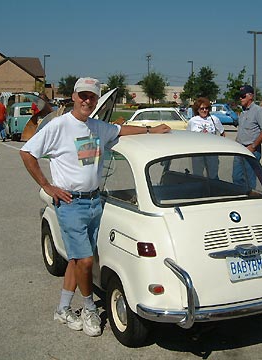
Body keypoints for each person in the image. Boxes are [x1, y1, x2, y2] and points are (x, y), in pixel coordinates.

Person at [19, 77, 170, 337]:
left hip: (94, 201)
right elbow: (27, 152)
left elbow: (120, 131)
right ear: (74, 97)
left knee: (77, 260)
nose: (87, 101)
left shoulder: (97, 127)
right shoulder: (59, 126)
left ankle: (63, 309)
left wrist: (151, 130)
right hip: (70, 203)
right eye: (83, 96)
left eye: (92, 97)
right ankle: (89, 308)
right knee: (87, 261)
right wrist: (47, 185)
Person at [233, 85, 262, 189]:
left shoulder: (258, 111)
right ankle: (240, 197)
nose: (240, 98)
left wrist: (253, 146)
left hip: (251, 150)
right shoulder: (243, 112)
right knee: (236, 177)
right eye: (240, 96)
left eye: (243, 96)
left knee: (250, 180)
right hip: (239, 149)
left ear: (250, 96)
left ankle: (250, 199)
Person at [187, 97, 225, 179]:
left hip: (212, 152)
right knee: (198, 175)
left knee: (213, 175)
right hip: (197, 152)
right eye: (202, 108)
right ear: (197, 109)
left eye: (206, 108)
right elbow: (188, 136)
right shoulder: (192, 121)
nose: (204, 110)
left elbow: (222, 133)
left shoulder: (214, 119)